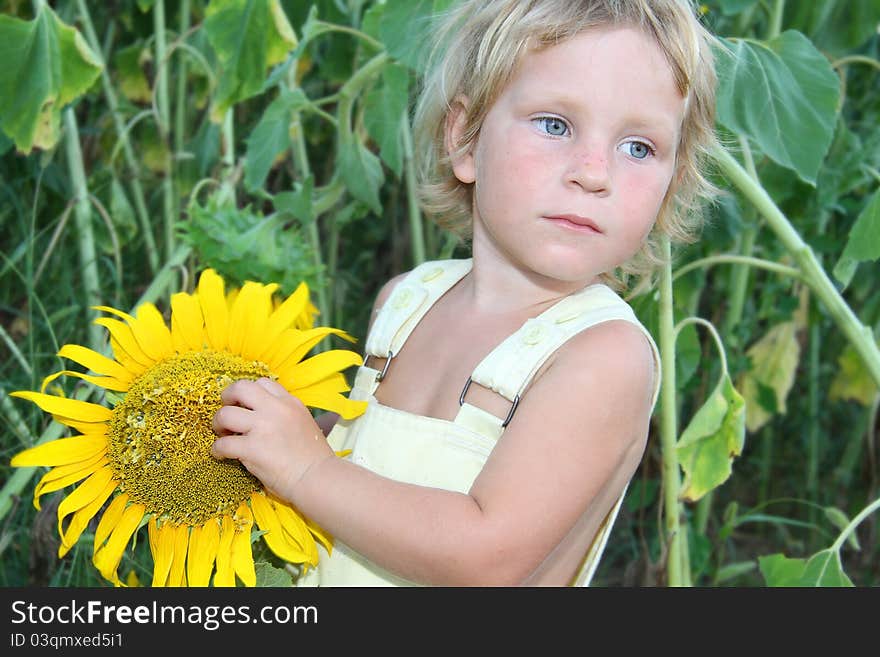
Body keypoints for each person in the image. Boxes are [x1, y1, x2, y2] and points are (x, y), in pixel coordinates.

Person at [210, 0, 719, 586]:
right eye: (556, 125)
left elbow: (485, 555)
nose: (593, 172)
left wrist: (303, 468)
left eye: (638, 147)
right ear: (466, 139)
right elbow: (372, 461)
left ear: (672, 180)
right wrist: (276, 430)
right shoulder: (406, 300)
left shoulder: (600, 356)